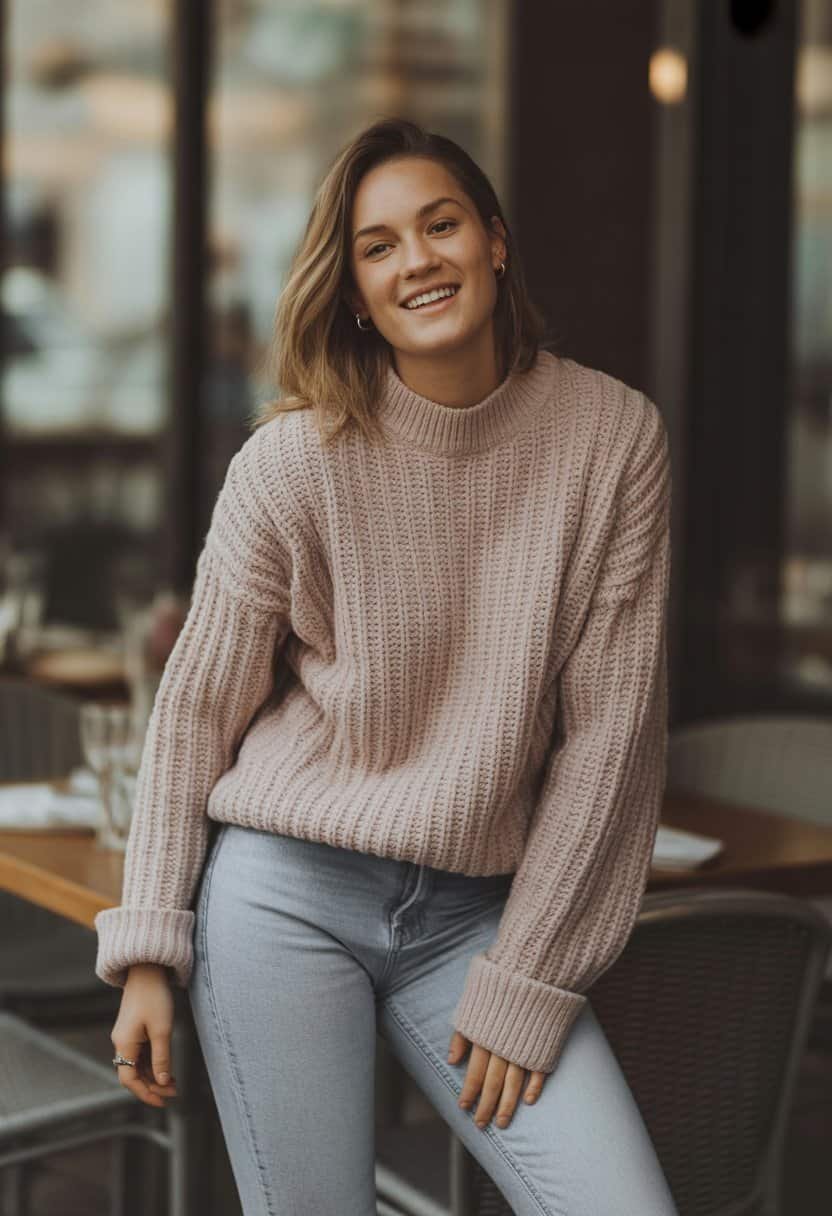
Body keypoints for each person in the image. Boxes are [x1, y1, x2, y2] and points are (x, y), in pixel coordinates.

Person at [95, 117, 678, 1216]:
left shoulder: (613, 440)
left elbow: (611, 737)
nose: (417, 259)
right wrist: (145, 951)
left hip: (475, 919)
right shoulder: (291, 462)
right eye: (378, 245)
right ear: (355, 292)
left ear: (494, 243)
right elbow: (193, 716)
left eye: (440, 224)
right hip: (285, 898)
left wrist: (531, 976)